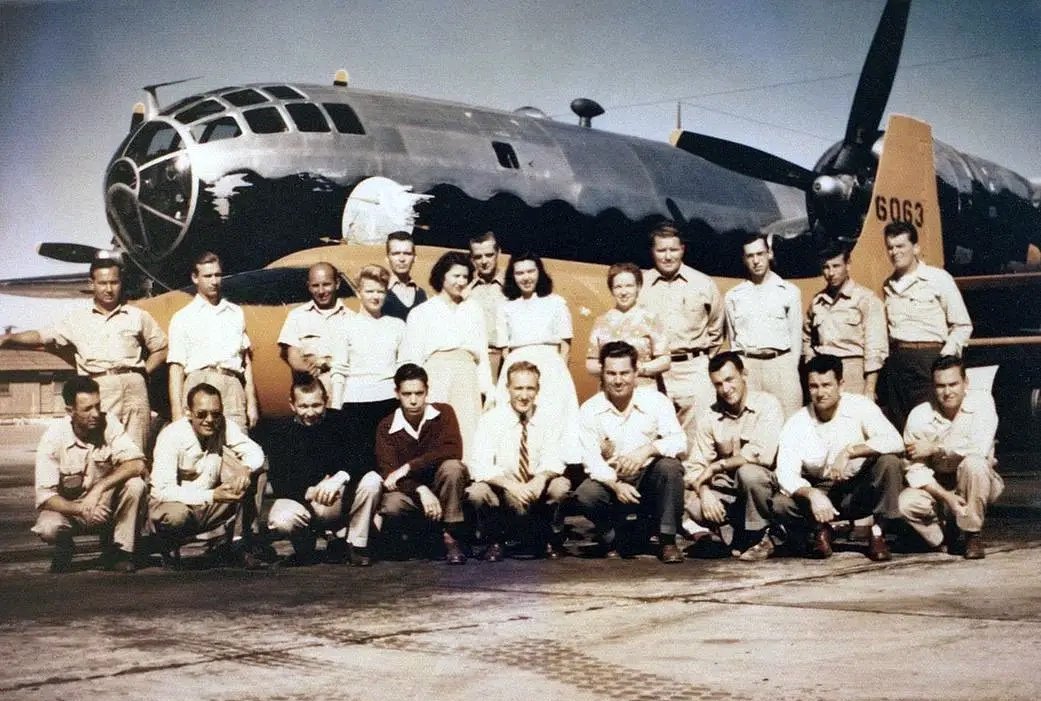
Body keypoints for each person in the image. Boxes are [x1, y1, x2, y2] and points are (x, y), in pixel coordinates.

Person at [0, 258, 167, 450]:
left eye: (114, 282)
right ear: (91, 284)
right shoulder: (76, 319)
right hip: (99, 387)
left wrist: (143, 372)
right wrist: (10, 338)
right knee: (101, 448)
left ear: (121, 283)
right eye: (103, 283)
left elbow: (161, 348)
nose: (109, 289)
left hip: (134, 388)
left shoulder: (137, 315)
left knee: (136, 449)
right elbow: (42, 335)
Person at [764, 354, 905, 561]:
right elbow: (785, 471)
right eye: (814, 386)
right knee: (780, 504)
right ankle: (821, 530)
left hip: (856, 489)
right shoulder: (797, 422)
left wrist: (849, 451)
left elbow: (895, 441)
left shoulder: (860, 406)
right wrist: (812, 494)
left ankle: (877, 533)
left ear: (841, 384)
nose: (820, 393)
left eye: (826, 385)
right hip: (821, 492)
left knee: (890, 463)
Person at [573, 341, 687, 563]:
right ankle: (611, 538)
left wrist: (647, 450)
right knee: (586, 494)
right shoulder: (590, 409)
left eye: (625, 373)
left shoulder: (656, 401)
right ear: (602, 375)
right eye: (611, 373)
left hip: (648, 481)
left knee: (670, 468)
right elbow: (591, 460)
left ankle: (667, 540)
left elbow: (680, 441)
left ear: (636, 373)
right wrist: (615, 485)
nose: (618, 380)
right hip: (612, 483)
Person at [32, 377, 148, 573]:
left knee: (136, 485)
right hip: (70, 511)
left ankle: (120, 551)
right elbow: (45, 498)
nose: (95, 414)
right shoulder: (53, 438)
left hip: (104, 505)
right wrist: (81, 509)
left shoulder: (109, 423)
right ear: (70, 411)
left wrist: (99, 489)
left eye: (98, 405)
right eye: (87, 409)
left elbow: (137, 463)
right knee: (48, 527)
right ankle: (65, 546)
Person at [149, 383, 269, 568]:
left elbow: (256, 452)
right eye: (202, 414)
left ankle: (240, 543)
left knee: (258, 472)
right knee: (175, 516)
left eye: (216, 413)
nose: (209, 420)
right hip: (180, 507)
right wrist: (213, 495)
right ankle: (168, 545)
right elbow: (162, 491)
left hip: (210, 504)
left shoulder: (223, 426)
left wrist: (245, 469)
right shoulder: (171, 435)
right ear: (188, 412)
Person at [265, 380, 382, 566]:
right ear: (292, 404)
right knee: (282, 519)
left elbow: (366, 456)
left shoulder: (343, 421)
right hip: (305, 500)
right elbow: (279, 479)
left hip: (338, 498)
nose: (310, 412)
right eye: (303, 406)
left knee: (372, 480)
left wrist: (340, 477)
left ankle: (356, 544)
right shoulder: (280, 432)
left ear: (326, 400)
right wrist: (309, 490)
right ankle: (305, 548)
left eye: (316, 405)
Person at [898, 356, 1003, 559]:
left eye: (953, 384)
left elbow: (978, 449)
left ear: (966, 383)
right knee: (905, 504)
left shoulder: (982, 403)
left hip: (977, 480)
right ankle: (944, 538)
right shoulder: (919, 415)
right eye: (940, 386)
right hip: (938, 485)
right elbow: (915, 469)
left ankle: (972, 534)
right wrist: (947, 497)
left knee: (974, 464)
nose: (947, 392)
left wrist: (936, 448)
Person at [683, 352, 784, 561]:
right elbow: (695, 466)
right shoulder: (710, 417)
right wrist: (704, 491)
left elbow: (762, 454)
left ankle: (760, 536)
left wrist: (717, 466)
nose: (726, 389)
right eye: (718, 384)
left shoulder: (767, 405)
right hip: (730, 492)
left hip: (766, 490)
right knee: (693, 503)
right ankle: (734, 532)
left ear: (744, 374)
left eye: (730, 380)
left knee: (749, 474)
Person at [466, 361, 571, 561]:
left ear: (538, 389)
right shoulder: (491, 420)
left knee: (561, 485)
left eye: (530, 388)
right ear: (507, 389)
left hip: (536, 490)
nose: (524, 395)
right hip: (504, 492)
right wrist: (510, 486)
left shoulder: (550, 418)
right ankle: (494, 540)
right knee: (476, 492)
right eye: (518, 388)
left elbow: (556, 458)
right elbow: (479, 465)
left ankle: (551, 538)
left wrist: (540, 478)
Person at [374, 363, 471, 564]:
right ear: (397, 393)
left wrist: (409, 467)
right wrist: (420, 489)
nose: (413, 400)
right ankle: (418, 539)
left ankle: (451, 536)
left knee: (453, 467)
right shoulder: (386, 426)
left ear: (427, 391)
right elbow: (389, 474)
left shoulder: (443, 413)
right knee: (391, 504)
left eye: (419, 393)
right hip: (412, 495)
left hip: (444, 491)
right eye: (407, 394)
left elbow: (452, 450)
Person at [882, 221, 973, 430]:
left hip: (928, 359)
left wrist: (944, 357)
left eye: (901, 246)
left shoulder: (938, 278)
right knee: (901, 424)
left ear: (916, 248)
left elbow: (962, 324)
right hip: (898, 363)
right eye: (890, 247)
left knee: (931, 422)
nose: (895, 252)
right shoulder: (887, 285)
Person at [495, 253, 581, 462]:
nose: (526, 277)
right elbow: (505, 349)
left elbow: (565, 346)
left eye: (530, 271)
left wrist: (559, 375)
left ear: (539, 273)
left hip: (550, 368)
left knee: (552, 418)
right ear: (512, 276)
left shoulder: (556, 303)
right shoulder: (506, 307)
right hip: (517, 368)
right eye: (519, 272)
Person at [402, 251, 492, 451]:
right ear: (442, 276)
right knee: (437, 430)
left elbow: (481, 353)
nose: (461, 282)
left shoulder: (473, 309)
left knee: (468, 429)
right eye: (456, 276)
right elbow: (413, 356)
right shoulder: (422, 312)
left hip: (467, 376)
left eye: (465, 277)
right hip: (436, 377)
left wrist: (487, 389)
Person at [639, 222, 724, 428]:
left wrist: (701, 360)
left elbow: (716, 329)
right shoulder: (640, 283)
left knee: (698, 434)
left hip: (693, 369)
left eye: (673, 250)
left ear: (682, 249)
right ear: (653, 251)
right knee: (654, 430)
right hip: (654, 370)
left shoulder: (703, 283)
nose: (668, 257)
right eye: (661, 250)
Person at [168, 252, 259, 432]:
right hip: (198, 383)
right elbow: (176, 368)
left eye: (218, 275)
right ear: (195, 278)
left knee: (236, 448)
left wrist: (252, 403)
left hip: (231, 384)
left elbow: (245, 361)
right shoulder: (182, 317)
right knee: (198, 451)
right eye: (208, 276)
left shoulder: (235, 313)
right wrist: (177, 412)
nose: (214, 281)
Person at [330, 264, 405, 473]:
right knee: (359, 465)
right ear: (358, 292)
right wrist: (336, 407)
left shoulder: (397, 325)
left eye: (380, 291)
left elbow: (403, 366)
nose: (375, 296)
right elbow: (339, 369)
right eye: (369, 291)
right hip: (355, 403)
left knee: (389, 462)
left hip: (389, 401)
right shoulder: (345, 325)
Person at [724, 233, 803, 419]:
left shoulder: (789, 292)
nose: (756, 261)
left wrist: (790, 368)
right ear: (744, 259)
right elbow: (733, 337)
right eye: (750, 256)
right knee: (751, 422)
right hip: (748, 366)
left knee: (789, 423)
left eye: (760, 254)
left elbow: (796, 336)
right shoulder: (733, 296)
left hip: (781, 365)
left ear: (770, 254)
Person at [803, 244, 888, 398]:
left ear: (848, 265)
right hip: (824, 373)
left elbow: (876, 346)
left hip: (853, 372)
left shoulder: (866, 299)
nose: (831, 273)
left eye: (836, 266)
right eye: (826, 267)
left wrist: (869, 388)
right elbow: (806, 336)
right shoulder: (817, 301)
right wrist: (811, 361)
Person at [277, 262, 354, 406]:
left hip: (345, 394)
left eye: (326, 284)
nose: (321, 291)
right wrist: (305, 368)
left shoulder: (353, 318)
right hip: (311, 397)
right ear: (308, 286)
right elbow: (293, 356)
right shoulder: (296, 316)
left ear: (337, 284)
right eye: (315, 286)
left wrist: (323, 362)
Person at [586, 262, 670, 390]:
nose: (624, 292)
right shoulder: (601, 321)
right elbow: (590, 363)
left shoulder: (651, 319)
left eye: (629, 286)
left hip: (643, 390)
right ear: (611, 289)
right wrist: (612, 370)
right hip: (611, 392)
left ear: (638, 287)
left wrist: (637, 369)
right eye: (618, 287)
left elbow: (665, 361)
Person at [467, 231, 508, 383]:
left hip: (504, 358)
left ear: (499, 253)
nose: (484, 261)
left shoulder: (511, 285)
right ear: (472, 259)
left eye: (489, 255)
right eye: (478, 257)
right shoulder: (465, 287)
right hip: (474, 358)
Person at [382, 231, 428, 321]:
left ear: (415, 258)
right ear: (387, 258)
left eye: (407, 254)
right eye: (396, 253)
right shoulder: (379, 292)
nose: (402, 259)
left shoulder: (422, 295)